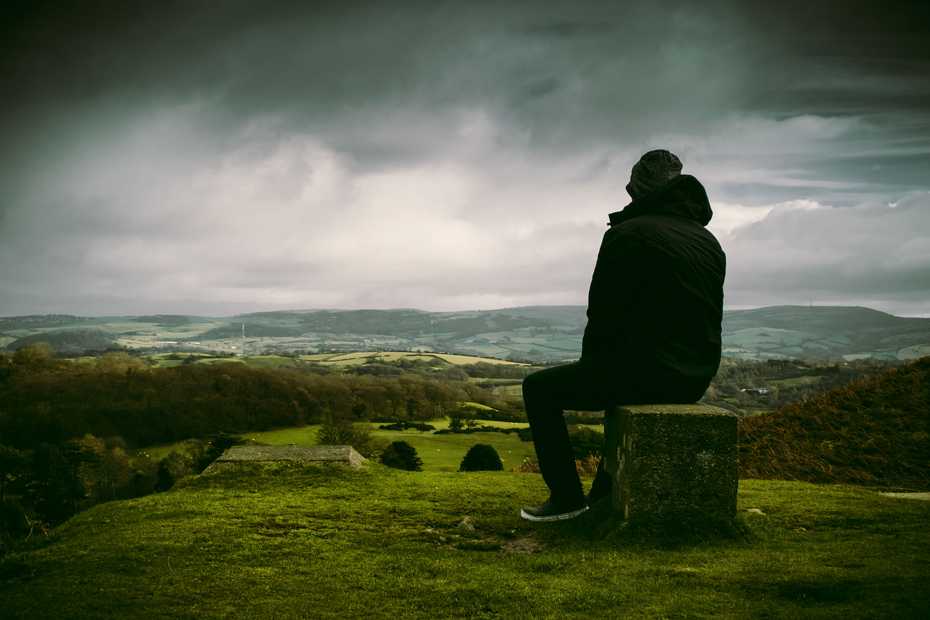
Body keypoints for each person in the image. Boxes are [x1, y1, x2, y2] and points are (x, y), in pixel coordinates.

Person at [520, 149, 726, 522]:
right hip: (693, 377)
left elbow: (604, 313)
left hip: (645, 375)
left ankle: (566, 498)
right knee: (619, 378)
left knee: (539, 388)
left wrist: (592, 366)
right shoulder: (707, 242)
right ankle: (603, 491)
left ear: (639, 189)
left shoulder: (628, 234)